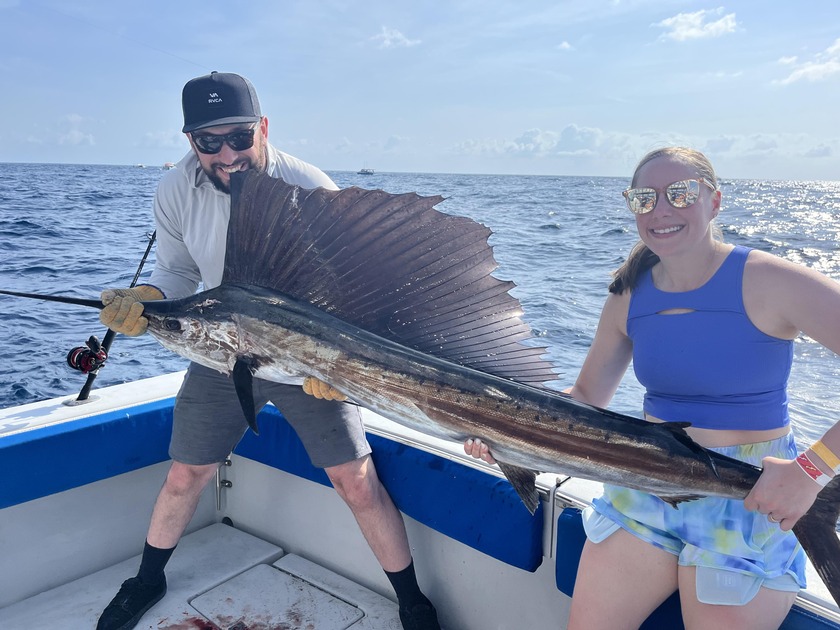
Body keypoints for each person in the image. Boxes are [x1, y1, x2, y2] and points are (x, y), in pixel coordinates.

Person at [95, 71, 440, 630]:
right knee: (186, 474)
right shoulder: (174, 190)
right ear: (190, 142)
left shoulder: (309, 187)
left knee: (355, 479)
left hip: (313, 363)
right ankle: (147, 578)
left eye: (239, 135)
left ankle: (411, 599)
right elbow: (178, 275)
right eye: (209, 141)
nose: (227, 152)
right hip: (222, 352)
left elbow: (356, 295)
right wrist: (145, 302)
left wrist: (341, 372)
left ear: (264, 127)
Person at [465, 146, 840, 629]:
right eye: (644, 198)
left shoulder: (771, 279)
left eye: (680, 193)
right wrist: (500, 434)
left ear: (715, 201)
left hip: (750, 501)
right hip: (642, 489)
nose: (661, 210)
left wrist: (812, 470)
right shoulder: (628, 294)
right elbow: (585, 402)